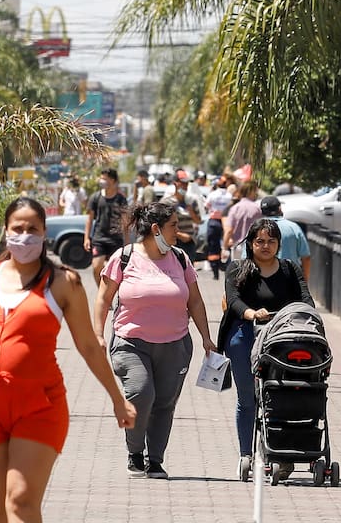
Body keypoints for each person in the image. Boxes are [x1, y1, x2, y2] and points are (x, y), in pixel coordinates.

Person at [0, 198, 135, 523]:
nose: (24, 236)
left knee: (21, 502)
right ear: (5, 231)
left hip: (39, 406)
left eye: (33, 229)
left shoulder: (63, 282)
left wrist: (117, 398)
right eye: (18, 229)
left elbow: (88, 346)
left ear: (44, 234)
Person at [93, 202, 216, 479]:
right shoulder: (123, 257)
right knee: (141, 392)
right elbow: (103, 298)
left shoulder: (181, 259)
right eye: (174, 225)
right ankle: (135, 451)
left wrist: (206, 337)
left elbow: (195, 301)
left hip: (175, 344)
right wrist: (98, 335)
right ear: (156, 229)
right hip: (130, 342)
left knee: (164, 402)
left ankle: (155, 460)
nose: (178, 231)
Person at [219, 217, 314, 480]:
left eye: (271, 241)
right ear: (250, 243)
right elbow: (234, 300)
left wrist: (308, 316)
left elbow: (305, 297)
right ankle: (245, 454)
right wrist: (251, 313)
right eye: (260, 241)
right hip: (245, 333)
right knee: (247, 397)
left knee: (282, 394)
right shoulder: (238, 268)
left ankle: (282, 454)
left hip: (281, 335)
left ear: (279, 244)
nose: (265, 246)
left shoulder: (289, 269)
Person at [84, 168, 128, 285]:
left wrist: (127, 242)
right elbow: (89, 219)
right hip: (99, 238)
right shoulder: (95, 197)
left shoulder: (121, 199)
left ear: (113, 181)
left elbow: (124, 221)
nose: (101, 181)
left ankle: (113, 294)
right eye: (101, 178)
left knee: (117, 271)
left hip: (116, 239)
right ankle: (101, 292)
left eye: (104, 179)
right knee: (96, 266)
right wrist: (86, 238)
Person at [258, 196, 311, 281]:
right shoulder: (293, 227)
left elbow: (245, 258)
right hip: (289, 281)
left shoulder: (255, 229)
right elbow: (306, 257)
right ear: (279, 208)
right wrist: (304, 282)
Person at [163, 171, 202, 267]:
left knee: (188, 271)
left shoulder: (191, 201)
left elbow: (198, 221)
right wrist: (179, 235)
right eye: (183, 183)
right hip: (172, 243)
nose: (185, 186)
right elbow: (162, 225)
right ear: (175, 183)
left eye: (187, 183)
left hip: (188, 244)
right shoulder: (167, 203)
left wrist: (191, 212)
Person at [204, 175, 234, 278]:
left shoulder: (212, 194)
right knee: (228, 245)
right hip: (226, 222)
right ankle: (228, 268)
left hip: (214, 222)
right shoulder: (230, 196)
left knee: (213, 247)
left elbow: (206, 206)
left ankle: (215, 273)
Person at [224, 181, 262, 261]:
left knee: (238, 271)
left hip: (237, 247)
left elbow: (229, 231)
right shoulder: (257, 208)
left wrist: (224, 247)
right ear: (251, 192)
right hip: (253, 246)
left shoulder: (235, 208)